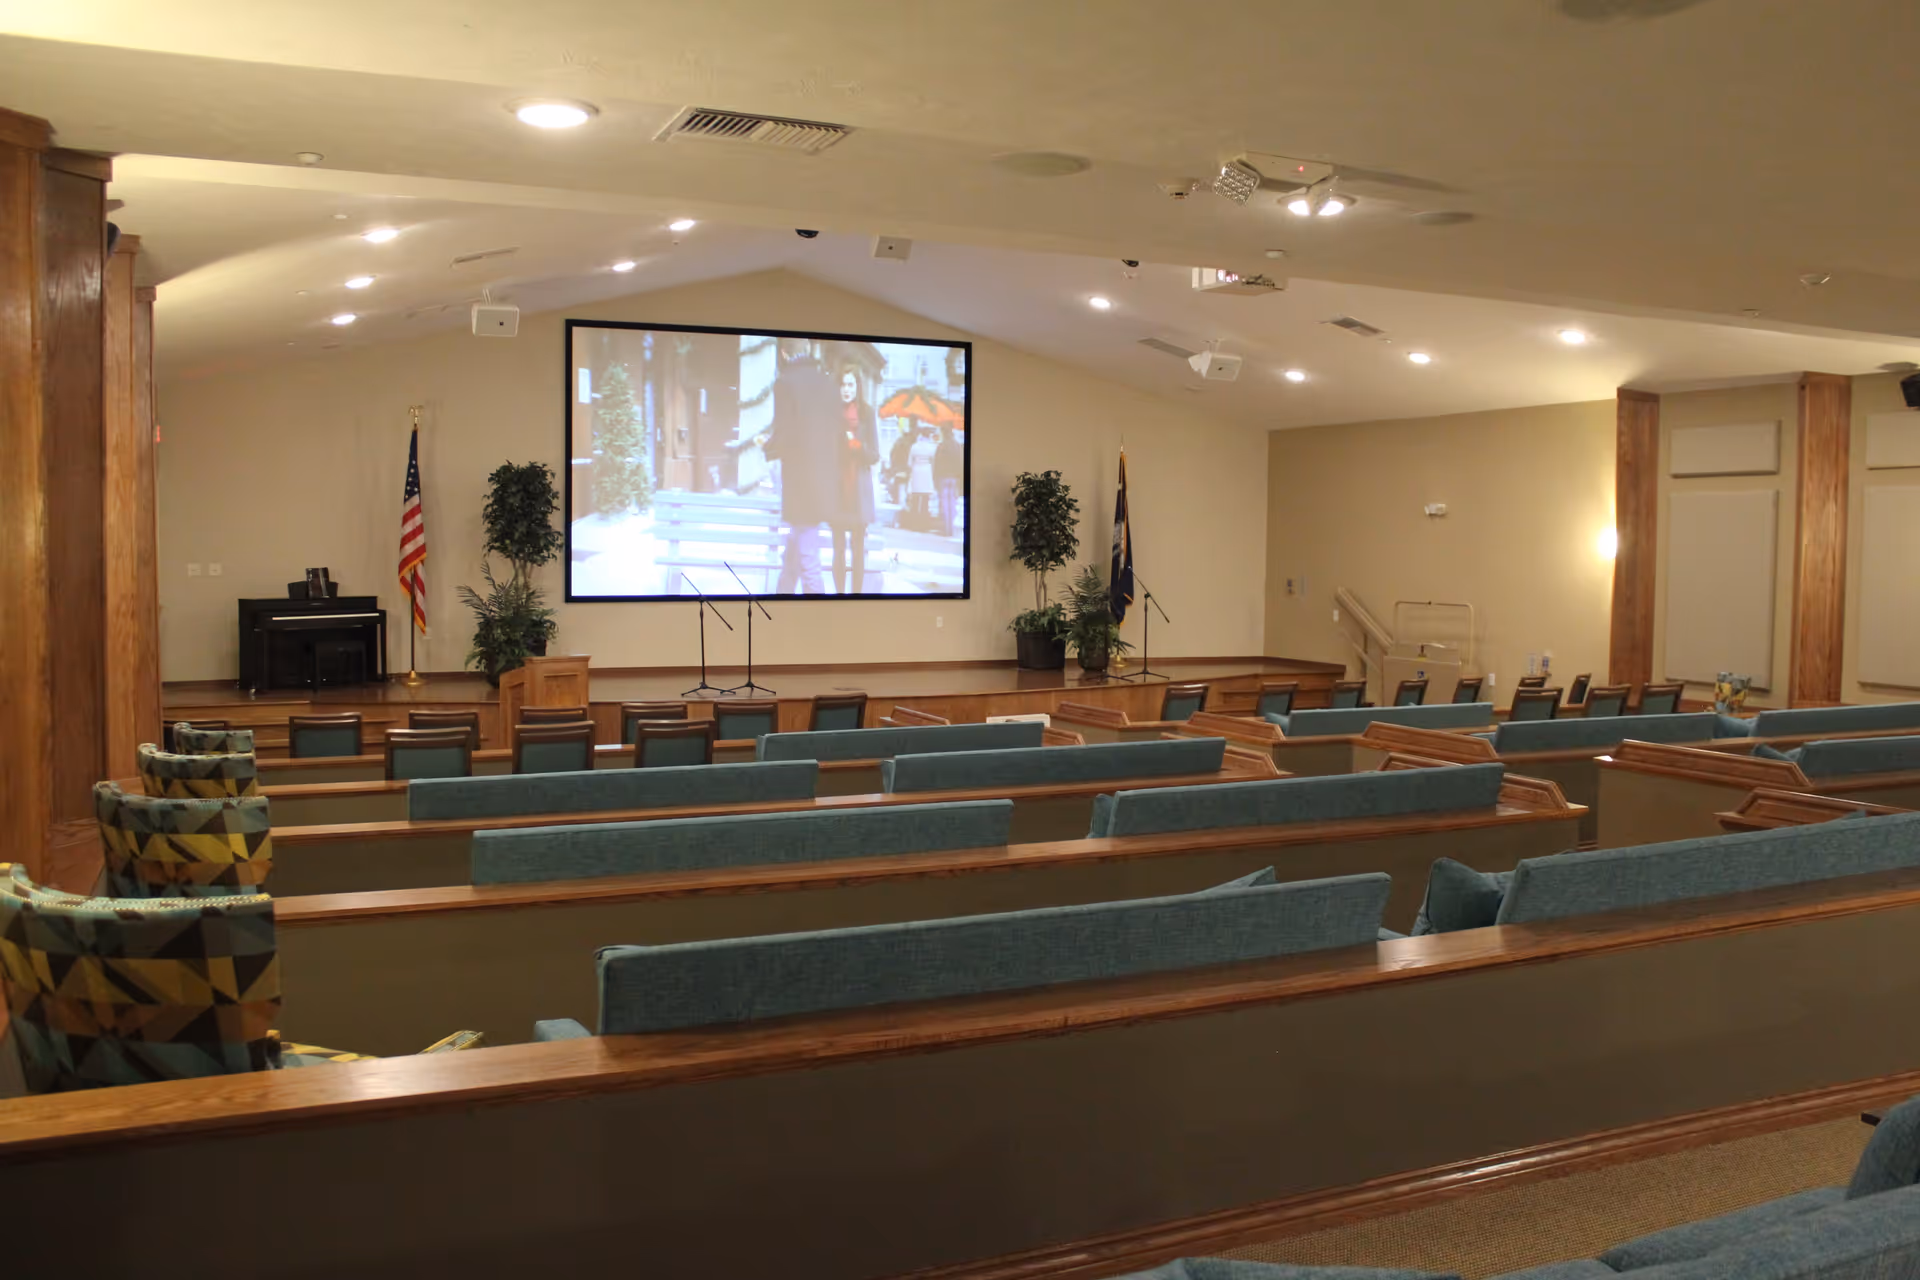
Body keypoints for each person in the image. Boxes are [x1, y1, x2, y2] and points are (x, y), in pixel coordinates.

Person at [759, 340, 838, 593]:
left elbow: (785, 432)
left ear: (783, 353)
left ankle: (819, 619)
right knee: (796, 550)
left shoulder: (785, 382)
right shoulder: (827, 383)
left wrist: (767, 446)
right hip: (823, 482)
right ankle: (783, 598)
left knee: (808, 557)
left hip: (799, 481)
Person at [828, 365, 879, 594]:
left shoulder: (867, 413)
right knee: (838, 549)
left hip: (859, 492)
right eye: (843, 384)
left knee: (858, 551)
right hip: (837, 490)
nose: (846, 389)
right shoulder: (830, 413)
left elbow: (874, 455)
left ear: (858, 386)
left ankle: (856, 597)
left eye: (850, 384)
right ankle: (839, 597)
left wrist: (856, 445)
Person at [934, 425, 963, 539]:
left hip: (943, 477)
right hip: (954, 478)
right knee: (952, 502)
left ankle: (946, 528)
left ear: (943, 433)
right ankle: (951, 527)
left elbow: (936, 463)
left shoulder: (941, 446)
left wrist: (935, 478)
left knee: (944, 502)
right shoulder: (957, 446)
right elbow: (961, 462)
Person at [907, 425, 938, 528]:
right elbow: (934, 462)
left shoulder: (914, 446)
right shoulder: (931, 447)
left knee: (915, 499)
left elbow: (909, 463)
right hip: (927, 471)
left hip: (916, 470)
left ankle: (913, 523)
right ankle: (924, 525)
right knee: (925, 500)